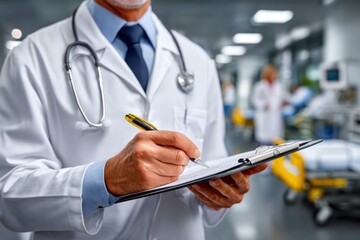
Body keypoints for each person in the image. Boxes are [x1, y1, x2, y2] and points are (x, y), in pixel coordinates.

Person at [0, 0, 267, 239]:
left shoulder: (197, 61)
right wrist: (105, 180)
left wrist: (221, 193)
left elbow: (212, 161)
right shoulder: (30, 58)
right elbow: (10, 195)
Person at [251, 65, 290, 145]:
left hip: (275, 113)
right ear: (267, 74)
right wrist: (263, 104)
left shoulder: (279, 86)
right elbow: (254, 100)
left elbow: (286, 97)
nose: (275, 76)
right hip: (264, 113)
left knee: (275, 138)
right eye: (273, 74)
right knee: (264, 139)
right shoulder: (260, 86)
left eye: (275, 74)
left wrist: (285, 102)